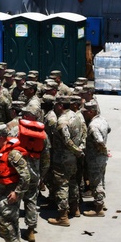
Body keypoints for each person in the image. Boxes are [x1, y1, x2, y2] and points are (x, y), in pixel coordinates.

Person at [47, 95, 85, 226]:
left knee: (62, 185)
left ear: (60, 106)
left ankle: (63, 216)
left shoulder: (62, 121)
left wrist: (76, 150)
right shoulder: (76, 116)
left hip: (62, 158)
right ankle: (75, 209)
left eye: (56, 105)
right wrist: (80, 148)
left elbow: (67, 140)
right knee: (73, 182)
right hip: (73, 158)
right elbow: (83, 133)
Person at [17, 105, 50, 242]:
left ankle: (12, 229)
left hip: (17, 172)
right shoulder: (43, 135)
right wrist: (42, 175)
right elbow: (46, 157)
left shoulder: (16, 130)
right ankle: (31, 230)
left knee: (14, 200)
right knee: (31, 200)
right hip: (34, 173)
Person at [82, 101, 110, 216]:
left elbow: (99, 141)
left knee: (96, 182)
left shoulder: (93, 126)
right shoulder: (102, 120)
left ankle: (98, 209)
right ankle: (100, 202)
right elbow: (108, 129)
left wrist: (102, 150)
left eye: (86, 112)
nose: (84, 114)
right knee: (101, 180)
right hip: (101, 158)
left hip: (95, 158)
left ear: (91, 112)